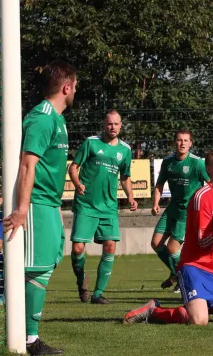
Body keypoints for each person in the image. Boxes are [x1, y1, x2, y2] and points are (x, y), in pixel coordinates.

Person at [122, 147, 213, 325]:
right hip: (195, 268)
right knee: (198, 321)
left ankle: (208, 305)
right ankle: (154, 311)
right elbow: (202, 242)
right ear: (209, 170)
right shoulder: (201, 197)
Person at [3, 60, 77, 355]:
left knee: (46, 264)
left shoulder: (58, 120)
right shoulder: (42, 117)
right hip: (34, 205)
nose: (76, 92)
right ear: (66, 87)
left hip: (49, 204)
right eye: (75, 87)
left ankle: (27, 335)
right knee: (35, 269)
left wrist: (56, 205)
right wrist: (22, 208)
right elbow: (27, 164)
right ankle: (28, 339)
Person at [68, 110, 138, 305]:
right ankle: (81, 280)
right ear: (103, 125)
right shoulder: (91, 143)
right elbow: (73, 167)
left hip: (108, 206)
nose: (112, 127)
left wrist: (130, 196)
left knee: (110, 246)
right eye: (109, 124)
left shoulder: (124, 150)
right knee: (78, 247)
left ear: (121, 126)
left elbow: (125, 177)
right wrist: (77, 183)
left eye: (116, 124)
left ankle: (98, 294)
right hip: (86, 204)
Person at [151, 130, 209, 292]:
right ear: (174, 143)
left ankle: (184, 279)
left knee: (172, 248)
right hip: (172, 209)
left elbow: (211, 185)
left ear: (191, 143)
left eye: (186, 140)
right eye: (179, 140)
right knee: (156, 243)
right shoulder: (168, 162)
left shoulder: (197, 163)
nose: (182, 143)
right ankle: (176, 274)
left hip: (188, 212)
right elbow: (159, 184)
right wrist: (155, 203)